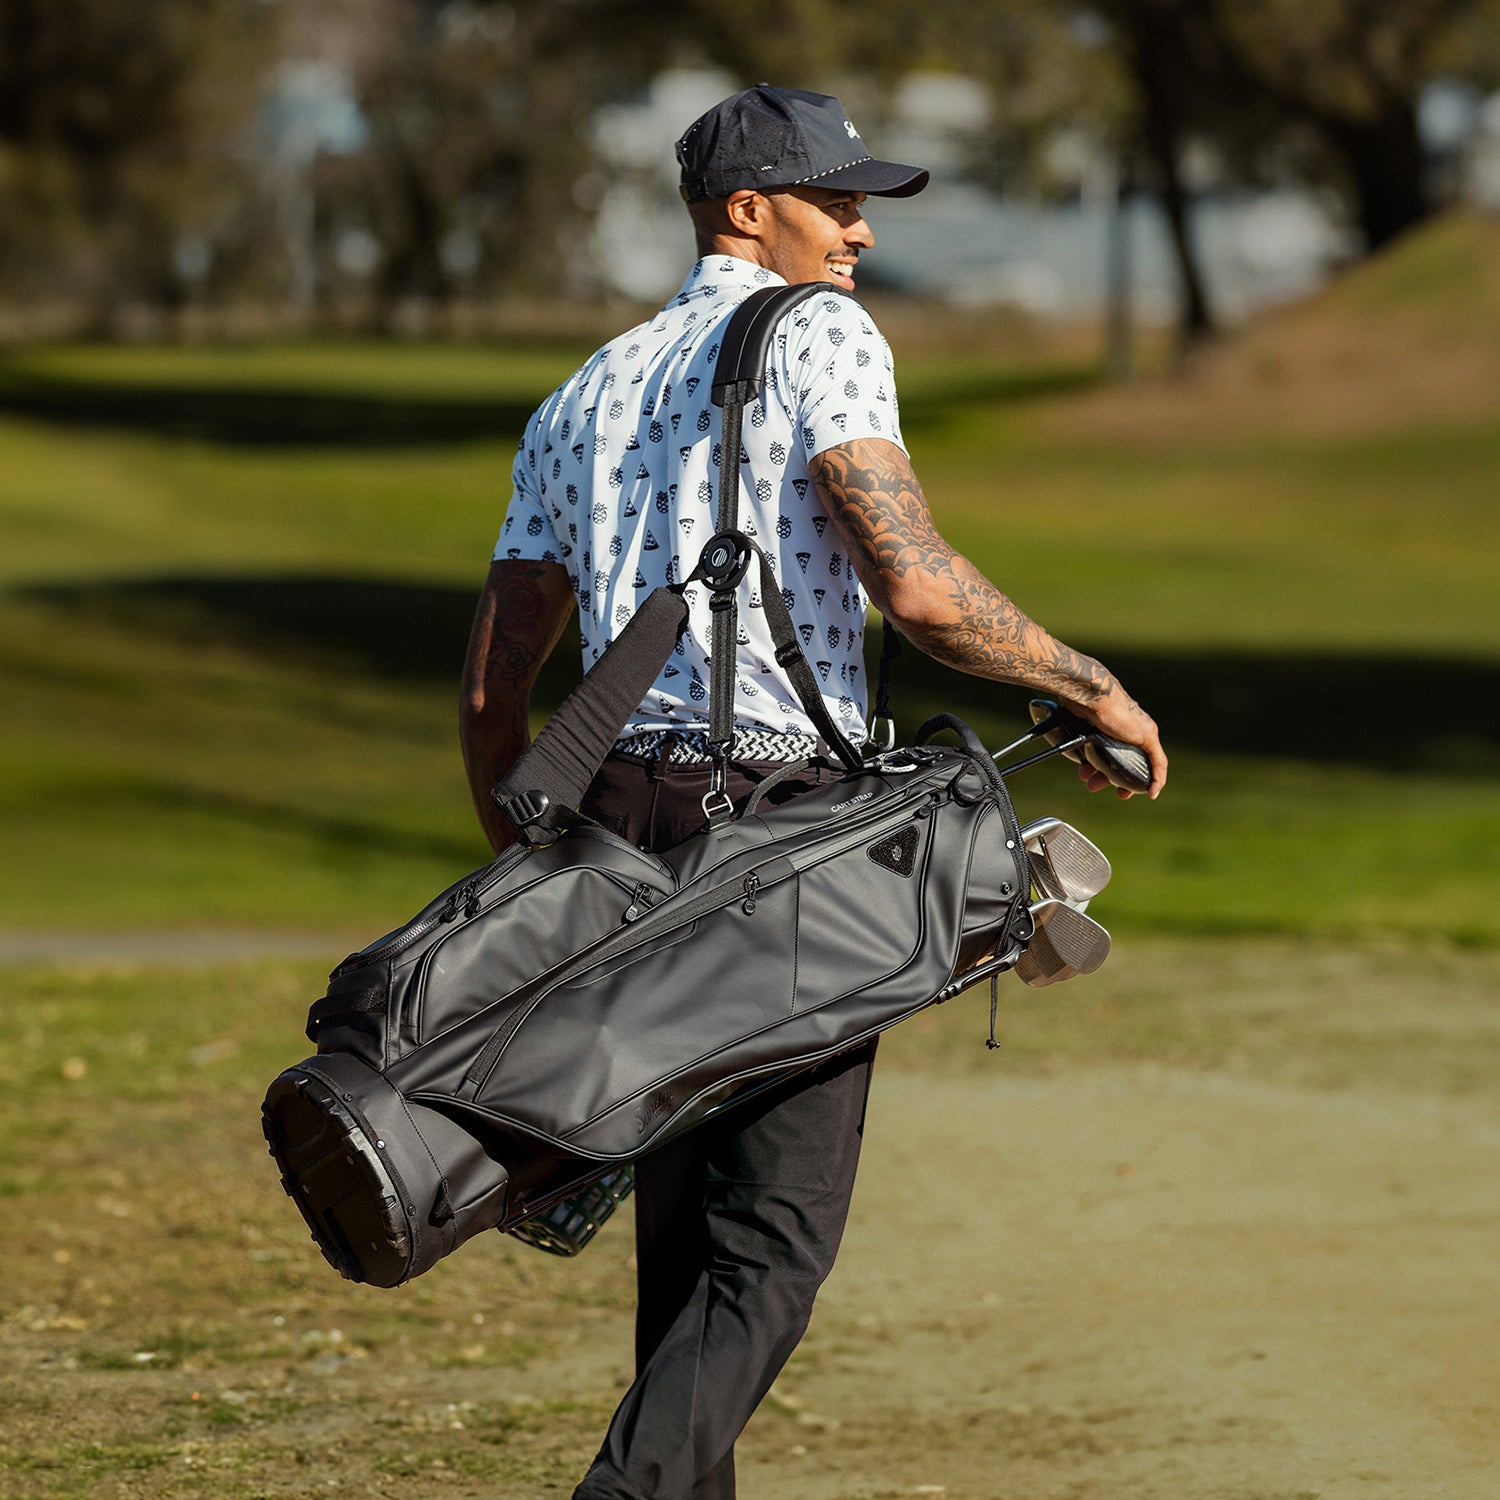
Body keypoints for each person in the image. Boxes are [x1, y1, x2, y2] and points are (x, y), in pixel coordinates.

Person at [459, 83, 1167, 1500]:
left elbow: (498, 673)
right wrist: (1090, 685)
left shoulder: (587, 386)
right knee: (773, 1240)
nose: (858, 231)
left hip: (616, 823)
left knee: (686, 1239)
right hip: (779, 832)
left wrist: (527, 845)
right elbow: (917, 587)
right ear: (746, 209)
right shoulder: (820, 333)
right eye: (833, 200)